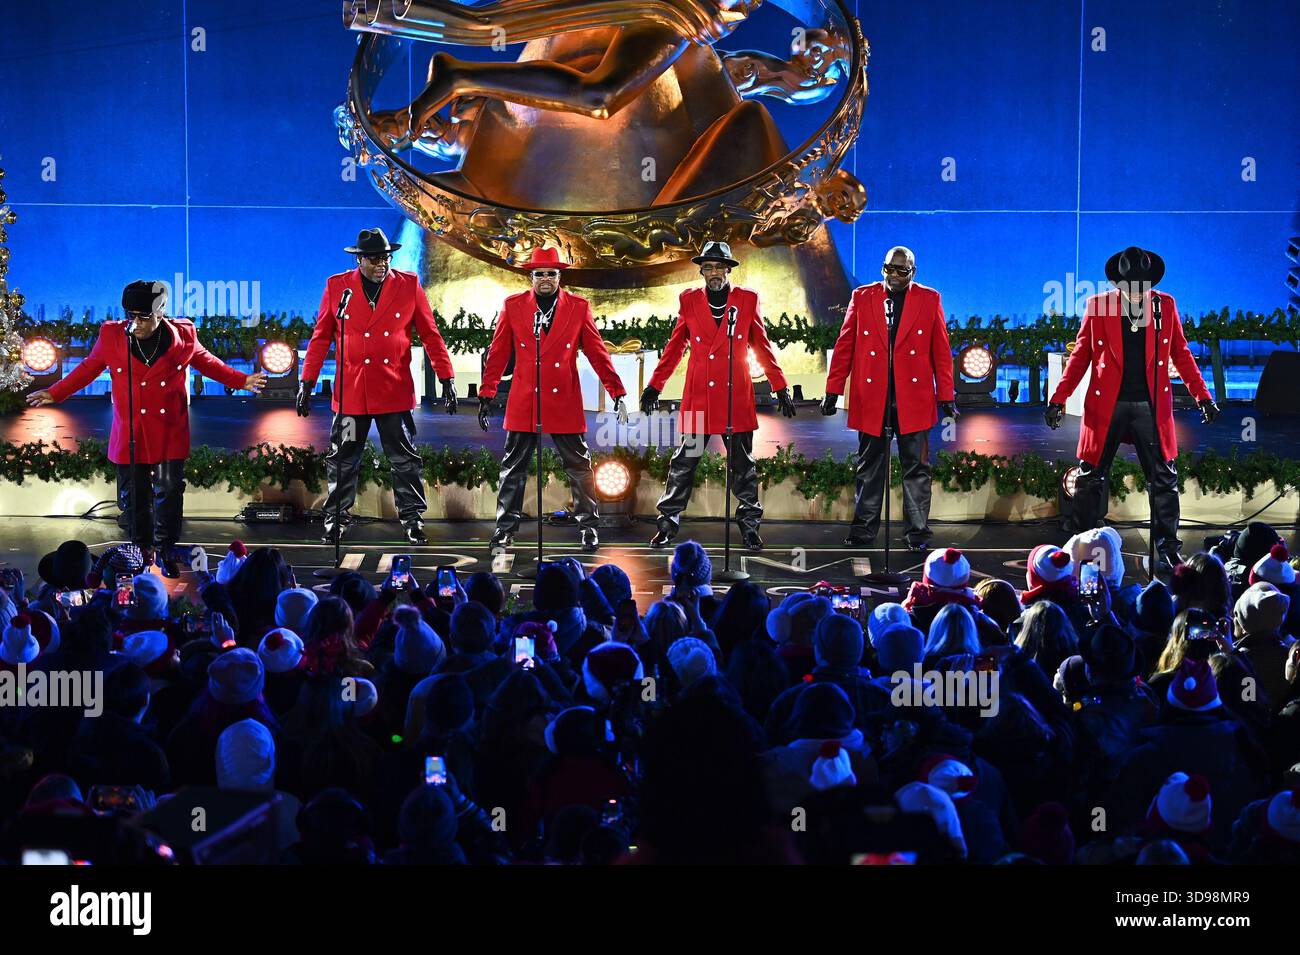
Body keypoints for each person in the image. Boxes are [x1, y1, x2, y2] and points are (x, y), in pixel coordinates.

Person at [27, 281, 266, 571]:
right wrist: (56, 391)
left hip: (169, 427)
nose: (136, 323)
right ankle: (140, 550)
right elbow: (89, 367)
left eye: (143, 316)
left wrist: (241, 380)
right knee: (134, 496)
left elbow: (206, 361)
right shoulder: (112, 335)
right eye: (131, 316)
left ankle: (166, 548)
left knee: (169, 491)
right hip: (132, 429)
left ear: (160, 312)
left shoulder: (184, 334)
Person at [1046, 246, 1219, 569]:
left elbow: (1180, 353)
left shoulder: (1164, 305)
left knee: (1164, 476)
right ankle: (1086, 541)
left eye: (1143, 285)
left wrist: (1202, 396)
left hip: (1150, 405)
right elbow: (1081, 356)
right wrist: (1059, 398)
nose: (1137, 291)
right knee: (1091, 475)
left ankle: (1167, 545)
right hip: (1107, 404)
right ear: (1118, 284)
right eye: (1131, 285)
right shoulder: (1099, 306)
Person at [298, 228, 457, 545]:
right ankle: (336, 519)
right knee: (342, 459)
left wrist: (446, 376)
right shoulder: (337, 287)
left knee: (404, 460)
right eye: (374, 258)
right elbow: (320, 339)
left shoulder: (409, 285)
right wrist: (307, 381)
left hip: (393, 389)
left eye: (385, 257)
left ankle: (412, 519)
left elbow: (430, 335)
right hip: (351, 393)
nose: (381, 264)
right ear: (359, 259)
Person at [640, 240, 796, 551]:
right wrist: (655, 385)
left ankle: (750, 527)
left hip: (734, 396)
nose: (713, 272)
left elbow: (761, 346)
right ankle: (667, 524)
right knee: (684, 462)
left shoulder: (746, 300)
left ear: (728, 269)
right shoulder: (689, 300)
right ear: (701, 271)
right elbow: (675, 347)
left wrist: (780, 386)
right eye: (707, 267)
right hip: (699, 398)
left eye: (719, 266)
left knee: (743, 465)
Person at [477, 246, 629, 551]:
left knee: (579, 466)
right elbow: (498, 354)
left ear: (560, 276)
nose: (545, 279)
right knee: (513, 468)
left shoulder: (579, 307)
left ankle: (588, 527)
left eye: (551, 273)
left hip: (564, 397)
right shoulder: (513, 306)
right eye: (540, 274)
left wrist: (617, 391)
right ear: (531, 277)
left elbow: (598, 354)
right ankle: (505, 528)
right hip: (525, 397)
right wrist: (487, 392)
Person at [822, 246, 956, 550]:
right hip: (873, 396)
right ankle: (864, 529)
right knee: (869, 465)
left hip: (914, 396)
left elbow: (941, 351)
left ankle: (917, 532)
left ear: (913, 272)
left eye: (901, 270)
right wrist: (833, 389)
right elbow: (845, 345)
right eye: (889, 269)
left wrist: (946, 395)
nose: (893, 275)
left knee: (916, 467)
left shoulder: (929, 298)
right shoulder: (863, 296)